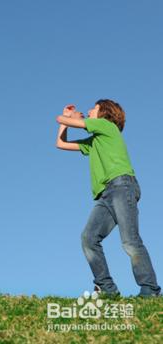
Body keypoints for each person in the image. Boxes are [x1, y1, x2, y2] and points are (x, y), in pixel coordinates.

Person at [56, 100, 160, 297]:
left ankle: (150, 289)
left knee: (130, 240)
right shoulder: (94, 141)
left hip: (122, 186)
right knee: (89, 238)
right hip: (105, 194)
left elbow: (60, 119)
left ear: (104, 113)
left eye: (93, 108)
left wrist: (67, 117)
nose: (88, 111)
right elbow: (60, 144)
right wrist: (66, 122)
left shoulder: (106, 126)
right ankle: (107, 288)